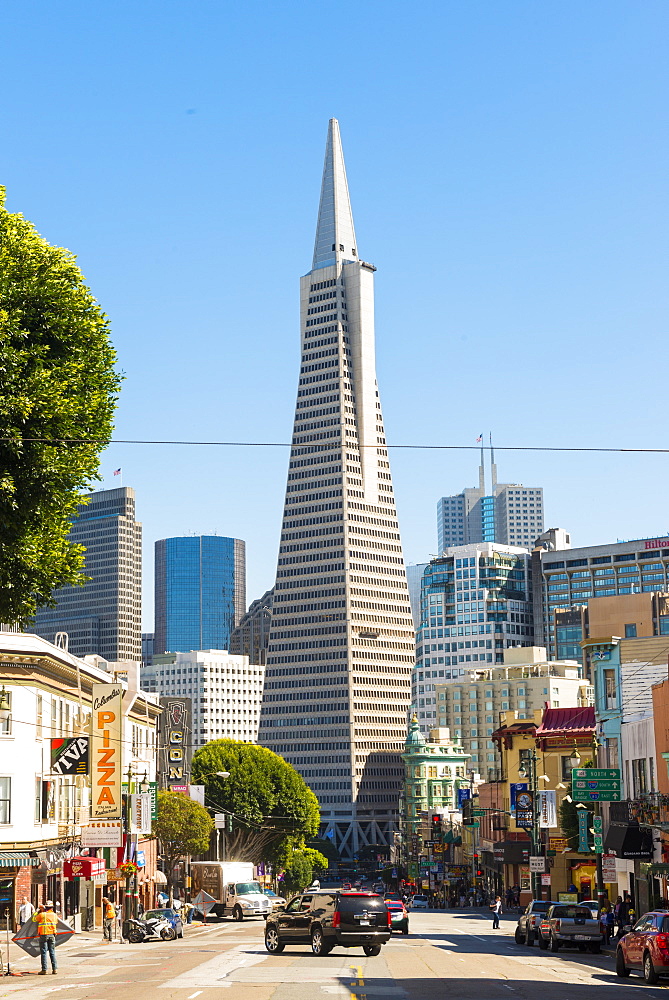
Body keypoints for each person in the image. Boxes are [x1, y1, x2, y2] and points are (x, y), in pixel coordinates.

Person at [33, 901, 58, 975]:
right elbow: (56, 922)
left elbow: (34, 919)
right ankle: (55, 969)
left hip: (44, 935)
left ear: (45, 907)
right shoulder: (54, 915)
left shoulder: (42, 915)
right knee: (52, 952)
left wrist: (38, 910)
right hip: (52, 935)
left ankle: (44, 970)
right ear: (52, 908)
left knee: (43, 952)